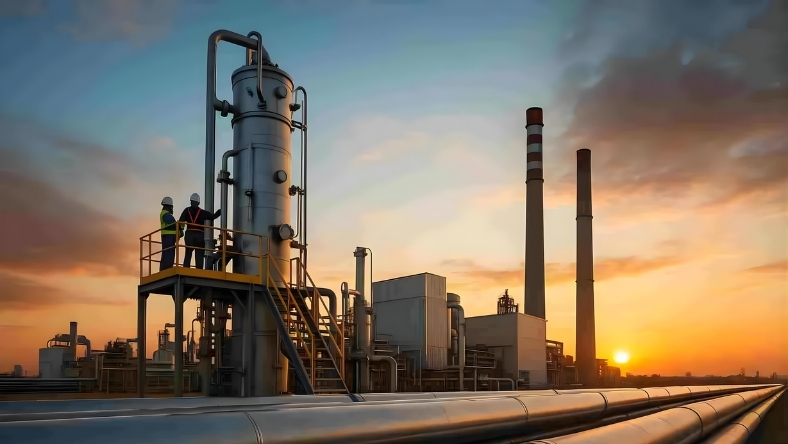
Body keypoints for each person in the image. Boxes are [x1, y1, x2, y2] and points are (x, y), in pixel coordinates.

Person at [178, 193, 221, 269]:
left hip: (189, 235)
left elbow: (180, 222)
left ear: (191, 201)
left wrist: (180, 231)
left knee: (188, 254)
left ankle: (186, 269)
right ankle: (199, 270)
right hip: (199, 236)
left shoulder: (186, 210)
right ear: (198, 202)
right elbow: (213, 216)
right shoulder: (202, 212)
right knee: (199, 255)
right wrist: (221, 210)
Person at [159, 196, 182, 271]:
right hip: (168, 237)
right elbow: (172, 222)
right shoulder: (165, 214)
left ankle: (164, 269)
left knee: (167, 253)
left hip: (168, 237)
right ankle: (166, 269)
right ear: (169, 206)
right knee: (168, 254)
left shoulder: (165, 214)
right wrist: (179, 226)